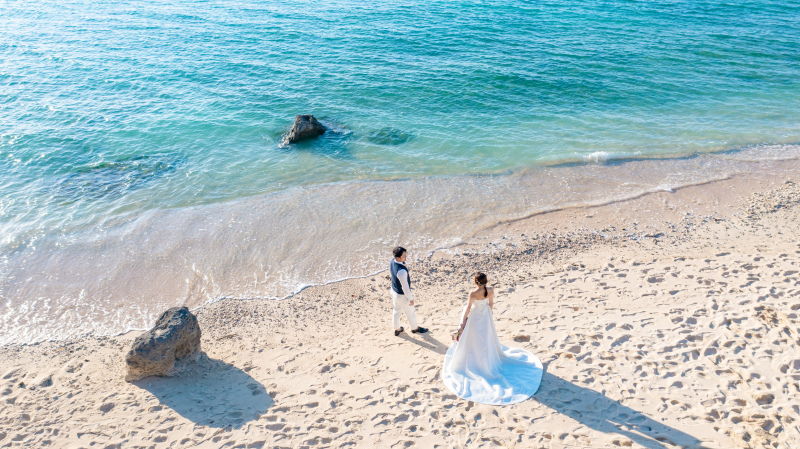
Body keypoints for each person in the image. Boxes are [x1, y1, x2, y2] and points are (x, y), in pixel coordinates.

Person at [442, 272, 543, 405]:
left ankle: (477, 360)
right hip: (486, 316)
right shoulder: (490, 290)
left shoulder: (473, 293)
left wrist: (463, 322)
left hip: (475, 317)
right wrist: (487, 316)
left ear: (476, 282)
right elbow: (491, 304)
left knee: (475, 339)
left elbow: (468, 308)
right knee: (487, 339)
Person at [390, 246, 428, 337]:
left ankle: (397, 328)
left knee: (396, 310)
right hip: (401, 295)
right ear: (398, 258)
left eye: (405, 254)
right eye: (403, 256)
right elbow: (405, 288)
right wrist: (411, 298)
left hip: (394, 291)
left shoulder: (392, 262)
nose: (405, 257)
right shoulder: (402, 271)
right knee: (410, 312)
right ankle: (415, 328)